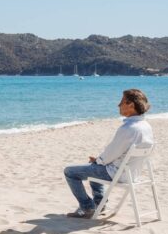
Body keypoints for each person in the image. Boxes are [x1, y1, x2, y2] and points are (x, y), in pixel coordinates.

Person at [63, 89, 154, 218]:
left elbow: (111, 154)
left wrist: (98, 160)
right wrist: (99, 160)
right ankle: (100, 204)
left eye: (122, 102)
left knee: (70, 172)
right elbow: (118, 153)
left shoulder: (129, 128)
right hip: (132, 173)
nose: (118, 105)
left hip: (118, 173)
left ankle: (87, 207)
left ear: (131, 105)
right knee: (97, 166)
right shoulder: (146, 126)